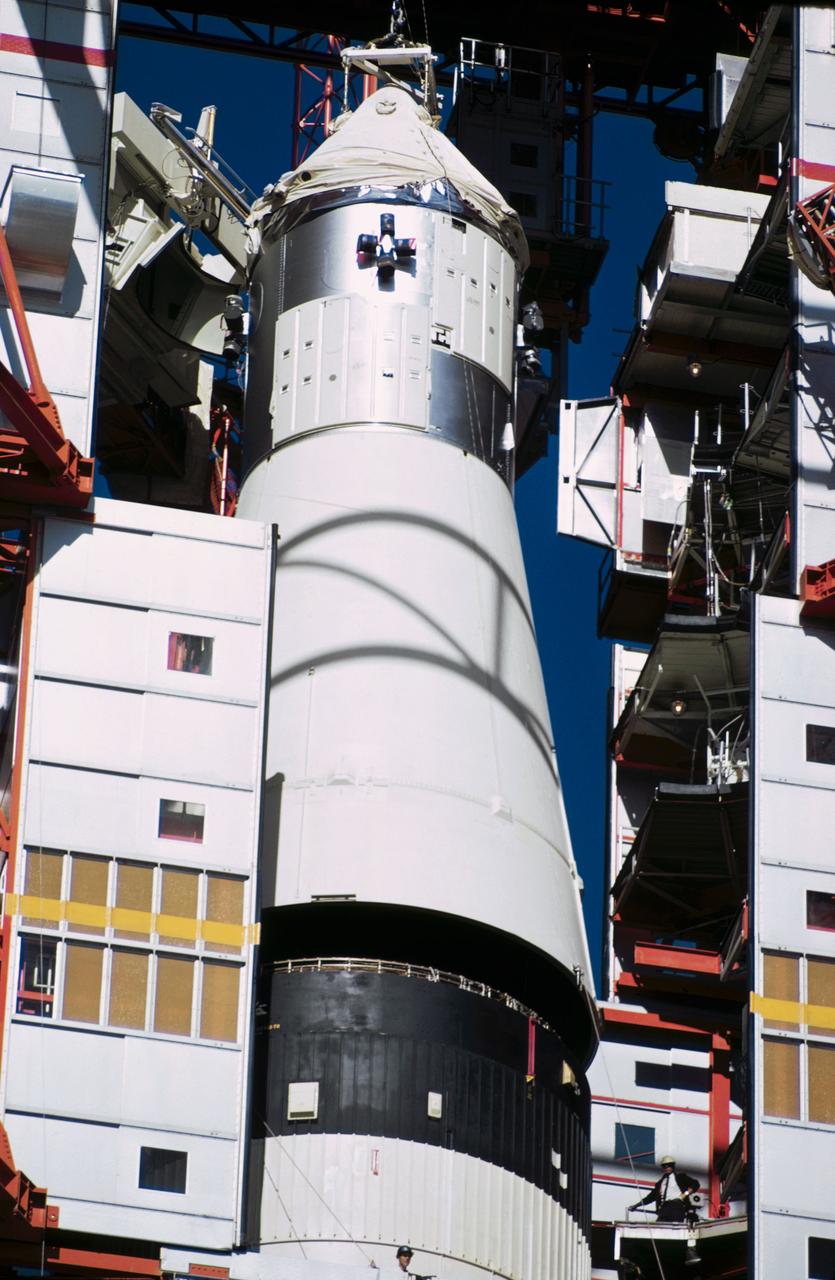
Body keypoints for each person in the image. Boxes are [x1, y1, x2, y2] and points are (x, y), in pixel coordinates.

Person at [629, 1156, 700, 1223]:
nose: (666, 1167)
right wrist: (636, 1205)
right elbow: (650, 1197)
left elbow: (695, 1184)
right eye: (664, 1166)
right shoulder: (660, 1183)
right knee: (659, 1228)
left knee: (675, 1227)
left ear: (673, 1166)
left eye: (669, 1165)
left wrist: (685, 1194)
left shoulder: (680, 1177)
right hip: (664, 1208)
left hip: (676, 1206)